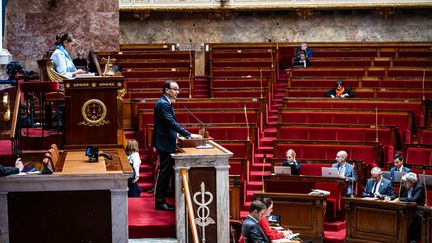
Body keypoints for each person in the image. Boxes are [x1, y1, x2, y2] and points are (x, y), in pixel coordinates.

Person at [152, 80, 202, 211]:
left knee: (165, 172)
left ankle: (161, 200)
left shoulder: (164, 103)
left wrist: (177, 135)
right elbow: (170, 123)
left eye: (178, 90)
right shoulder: (163, 104)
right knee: (164, 172)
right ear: (167, 90)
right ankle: (159, 202)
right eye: (175, 89)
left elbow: (165, 124)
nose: (177, 92)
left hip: (166, 140)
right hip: (165, 143)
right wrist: (188, 135)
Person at [393, 172, 425, 243]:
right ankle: (397, 236)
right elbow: (397, 196)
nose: (404, 184)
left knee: (414, 217)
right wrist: (390, 197)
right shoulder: (404, 186)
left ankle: (412, 239)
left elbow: (414, 199)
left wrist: (400, 199)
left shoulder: (419, 187)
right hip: (406, 208)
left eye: (405, 182)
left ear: (411, 182)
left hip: (417, 209)